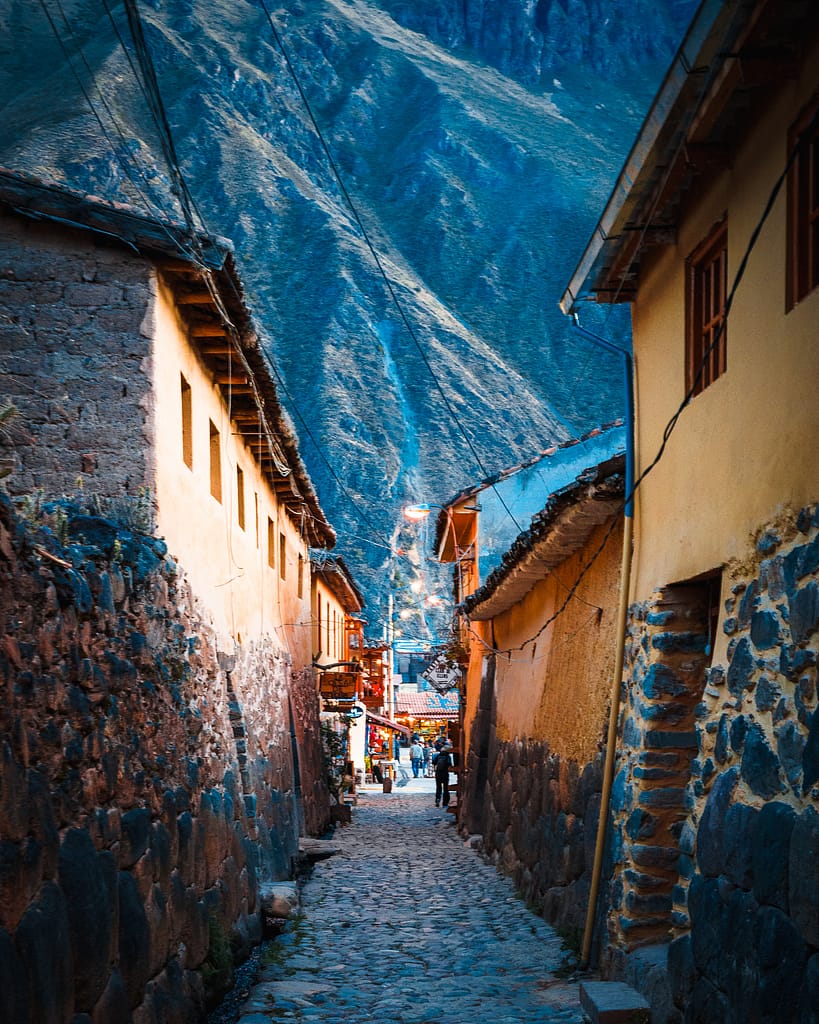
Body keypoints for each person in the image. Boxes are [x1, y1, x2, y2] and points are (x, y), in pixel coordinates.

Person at [434, 743, 453, 808]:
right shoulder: (448, 756)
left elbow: (433, 762)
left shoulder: (438, 755)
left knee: (438, 787)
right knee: (445, 788)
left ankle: (437, 799)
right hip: (445, 773)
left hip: (438, 773)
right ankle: (445, 802)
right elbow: (449, 764)